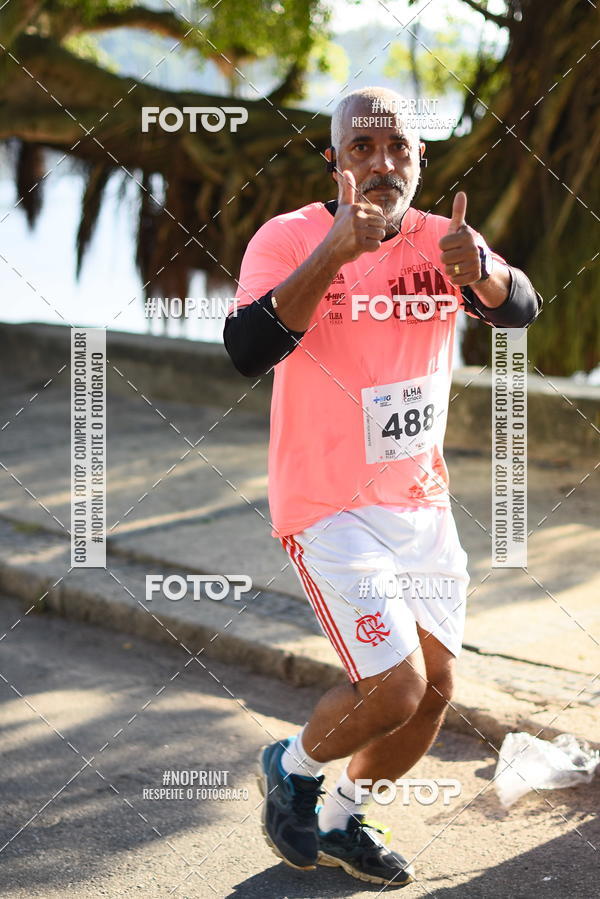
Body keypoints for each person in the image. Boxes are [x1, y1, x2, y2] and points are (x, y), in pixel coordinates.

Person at [223, 86, 541, 887]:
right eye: (360, 148)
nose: (381, 162)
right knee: (392, 687)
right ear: (334, 159)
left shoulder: (445, 240)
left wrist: (490, 276)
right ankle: (292, 765)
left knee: (434, 691)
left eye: (397, 146)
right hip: (328, 505)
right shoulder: (287, 236)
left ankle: (341, 820)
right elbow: (246, 347)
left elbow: (521, 308)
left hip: (420, 504)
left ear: (419, 158)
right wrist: (332, 250)